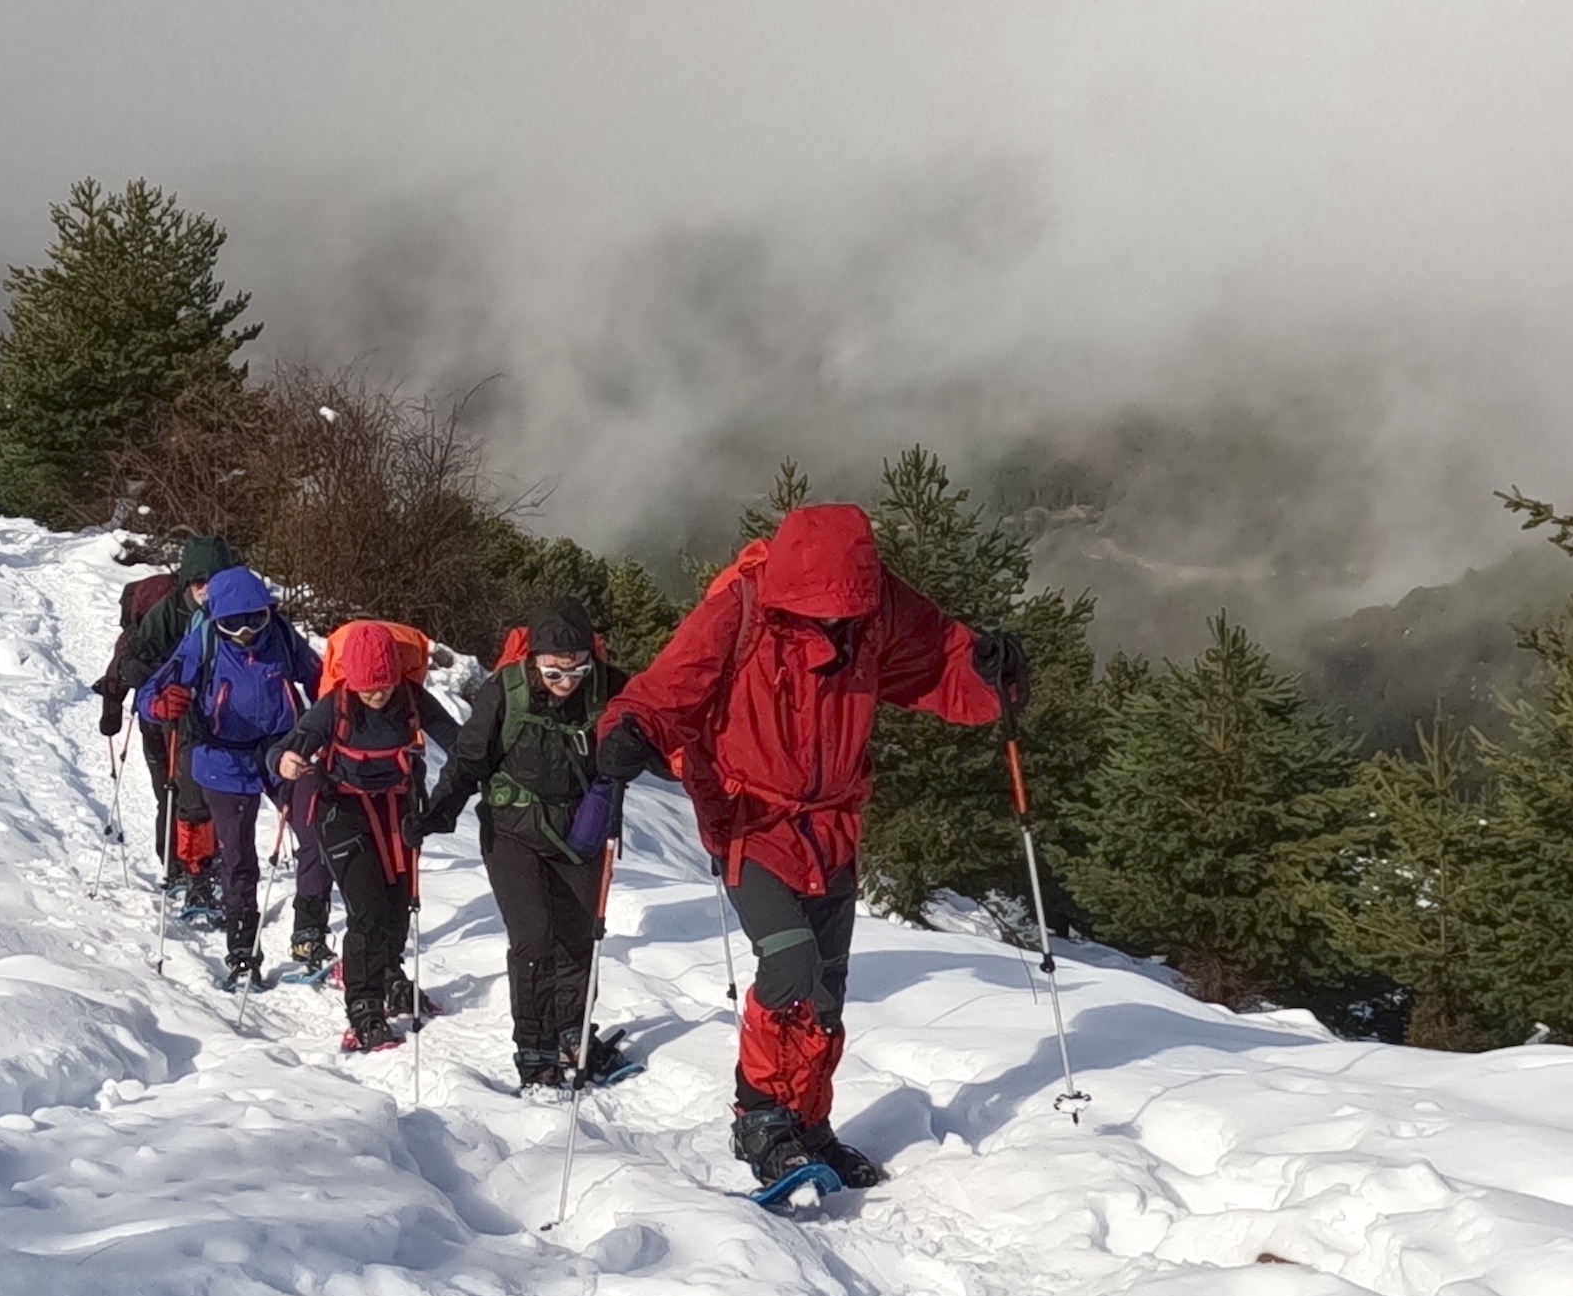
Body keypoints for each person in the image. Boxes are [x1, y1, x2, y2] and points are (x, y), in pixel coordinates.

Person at [596, 503, 1029, 1188]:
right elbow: (664, 691)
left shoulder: (878, 608)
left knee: (827, 990)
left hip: (832, 825)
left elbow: (938, 661)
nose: (835, 625)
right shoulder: (740, 610)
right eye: (818, 613)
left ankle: (808, 1122)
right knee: (791, 964)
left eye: (845, 614)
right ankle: (760, 1114)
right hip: (749, 819)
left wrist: (989, 672)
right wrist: (628, 731)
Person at [413, 598, 632, 1095]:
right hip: (513, 830)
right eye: (554, 668)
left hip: (582, 828)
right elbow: (470, 758)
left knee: (579, 939)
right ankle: (535, 1048)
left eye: (576, 666)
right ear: (533, 658)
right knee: (534, 940)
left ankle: (573, 1035)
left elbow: (654, 737)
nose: (566, 678)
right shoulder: (505, 692)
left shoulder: (612, 687)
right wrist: (437, 811)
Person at [136, 568, 329, 989]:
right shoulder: (202, 641)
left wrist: (335, 722)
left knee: (316, 831)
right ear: (216, 618)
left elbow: (319, 679)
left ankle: (309, 932)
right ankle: (243, 949)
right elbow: (150, 694)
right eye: (233, 623)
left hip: (282, 750)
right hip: (221, 757)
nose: (245, 631)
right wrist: (162, 705)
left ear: (268, 612)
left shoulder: (279, 635)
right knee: (240, 858)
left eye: (255, 620)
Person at [273, 621, 461, 1053]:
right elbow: (292, 743)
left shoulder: (412, 699)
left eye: (384, 686)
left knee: (398, 905)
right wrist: (286, 760)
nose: (377, 695)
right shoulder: (335, 704)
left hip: (398, 810)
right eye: (367, 688)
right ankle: (364, 1009)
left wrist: (478, 773)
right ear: (350, 680)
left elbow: (459, 743)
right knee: (367, 910)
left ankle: (390, 973)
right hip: (343, 812)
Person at [98, 534, 242, 919]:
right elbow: (128, 662)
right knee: (171, 791)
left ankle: (199, 866)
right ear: (186, 582)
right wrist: (164, 683)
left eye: (213, 580)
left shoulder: (233, 609)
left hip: (210, 719)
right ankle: (176, 864)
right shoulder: (166, 613)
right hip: (160, 717)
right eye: (198, 581)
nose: (205, 590)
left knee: (203, 792)